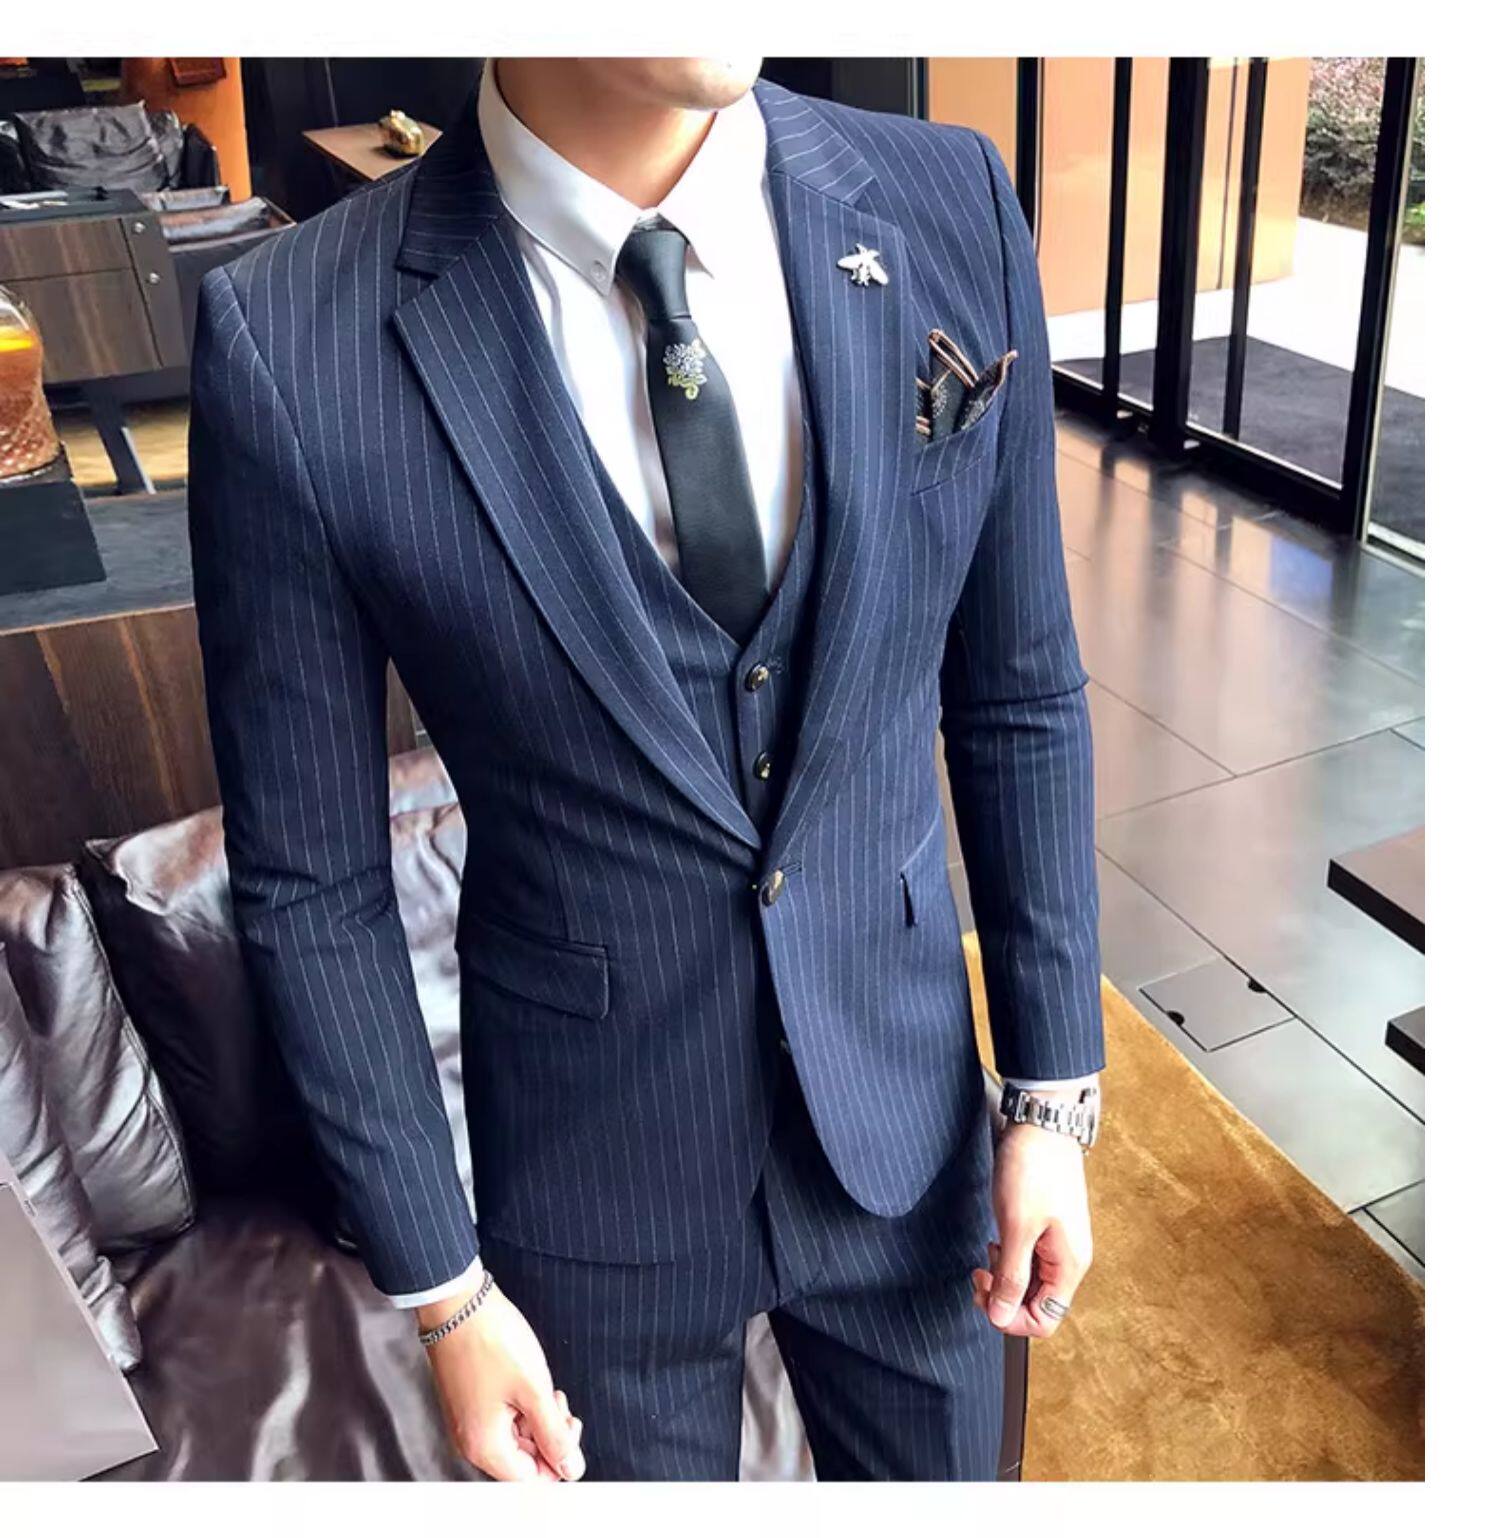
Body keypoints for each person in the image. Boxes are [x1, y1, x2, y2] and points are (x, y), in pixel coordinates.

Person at [188, 56, 1104, 1483]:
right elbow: (313, 882)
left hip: (910, 1128)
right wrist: (444, 1291)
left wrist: (1049, 1096)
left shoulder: (950, 199)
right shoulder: (292, 333)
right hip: (596, 1170)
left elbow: (1019, 690)